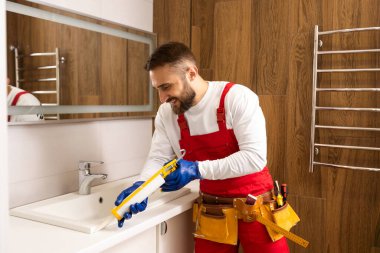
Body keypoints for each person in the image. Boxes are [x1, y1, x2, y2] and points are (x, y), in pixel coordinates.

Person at [114, 42, 289, 252]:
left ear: (191, 73)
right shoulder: (167, 113)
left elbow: (254, 158)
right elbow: (158, 158)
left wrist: (196, 169)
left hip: (256, 208)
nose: (162, 98)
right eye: (157, 89)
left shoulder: (236, 98)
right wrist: (141, 188)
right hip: (212, 212)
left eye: (166, 87)